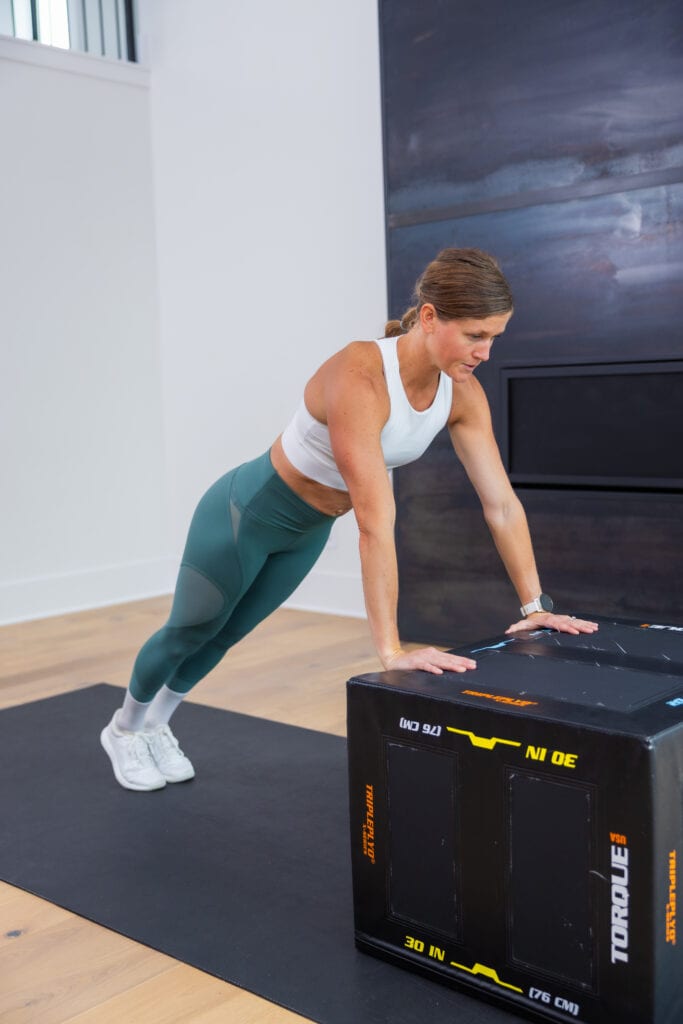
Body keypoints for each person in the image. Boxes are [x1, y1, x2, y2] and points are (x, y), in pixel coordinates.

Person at [101, 247, 598, 792]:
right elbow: (375, 521)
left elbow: (500, 503)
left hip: (308, 529)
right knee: (190, 630)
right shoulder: (360, 375)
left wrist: (534, 607)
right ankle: (125, 728)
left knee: (227, 634)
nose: (485, 351)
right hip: (245, 513)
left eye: (494, 338)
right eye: (476, 335)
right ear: (430, 317)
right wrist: (390, 650)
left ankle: (158, 725)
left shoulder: (461, 393)